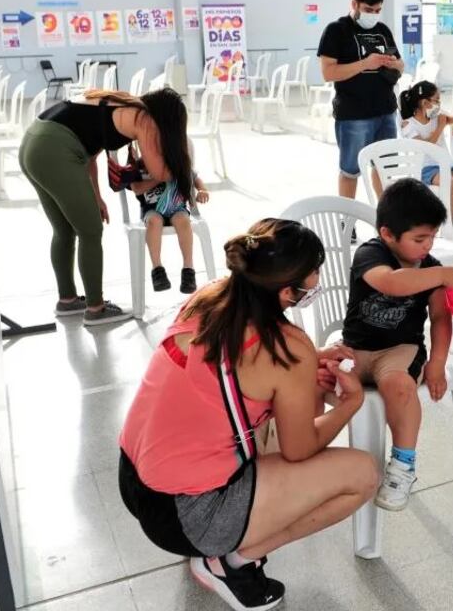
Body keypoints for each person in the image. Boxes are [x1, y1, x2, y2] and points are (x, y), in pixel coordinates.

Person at [119, 218, 378, 610]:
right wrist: (349, 406)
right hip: (187, 515)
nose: (318, 280)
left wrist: (306, 367)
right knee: (363, 475)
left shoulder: (210, 297)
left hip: (135, 480)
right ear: (287, 289)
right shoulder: (287, 347)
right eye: (314, 274)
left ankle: (224, 544)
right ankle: (229, 563)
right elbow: (300, 450)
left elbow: (237, 375)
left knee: (269, 423)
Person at [342, 179, 453, 511]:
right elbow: (391, 282)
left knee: (398, 386)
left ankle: (403, 465)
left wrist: (438, 362)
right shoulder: (371, 253)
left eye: (432, 237)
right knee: (311, 378)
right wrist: (442, 276)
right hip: (355, 349)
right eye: (419, 238)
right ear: (388, 234)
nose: (428, 246)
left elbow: (441, 319)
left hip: (400, 351)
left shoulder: (431, 268)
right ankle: (302, 454)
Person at [20, 87, 192, 326]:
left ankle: (67, 300)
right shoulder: (145, 119)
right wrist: (181, 162)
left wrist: (97, 197)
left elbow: (90, 154)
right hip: (55, 151)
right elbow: (159, 172)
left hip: (34, 144)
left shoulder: (122, 102)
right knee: (90, 231)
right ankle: (95, 308)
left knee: (64, 229)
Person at [317, 0, 404, 201]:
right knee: (350, 170)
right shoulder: (336, 30)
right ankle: (348, 224)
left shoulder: (383, 30)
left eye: (377, 11)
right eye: (368, 10)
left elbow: (401, 64)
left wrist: (395, 65)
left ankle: (386, 219)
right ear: (354, 4)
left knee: (385, 169)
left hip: (386, 111)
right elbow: (328, 73)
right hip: (354, 115)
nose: (373, 15)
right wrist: (365, 63)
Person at [399, 80, 453, 246]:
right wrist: (440, 127)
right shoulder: (408, 124)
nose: (439, 104)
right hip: (425, 169)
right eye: (436, 100)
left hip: (447, 164)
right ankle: (447, 230)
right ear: (425, 102)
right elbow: (425, 147)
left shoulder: (438, 117)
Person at [131, 163, 210, 294]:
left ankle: (188, 269)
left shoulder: (176, 161)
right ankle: (157, 269)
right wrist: (159, 178)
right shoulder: (140, 165)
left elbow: (195, 177)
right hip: (152, 209)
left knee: (184, 221)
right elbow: (137, 189)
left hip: (177, 207)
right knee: (154, 222)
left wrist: (202, 190)